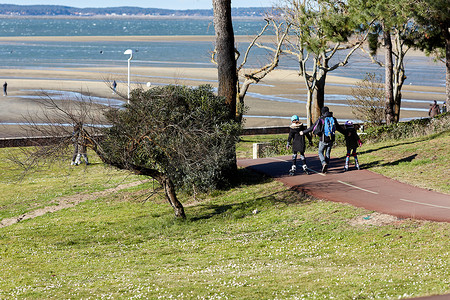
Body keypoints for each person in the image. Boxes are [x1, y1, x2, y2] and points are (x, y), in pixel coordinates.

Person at [301, 106, 345, 173]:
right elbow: (339, 128)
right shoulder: (333, 119)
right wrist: (347, 133)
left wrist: (303, 132)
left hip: (323, 139)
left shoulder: (321, 119)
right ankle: (326, 167)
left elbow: (312, 128)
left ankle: (324, 163)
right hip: (331, 139)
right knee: (327, 153)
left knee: (320, 152)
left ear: (322, 112)